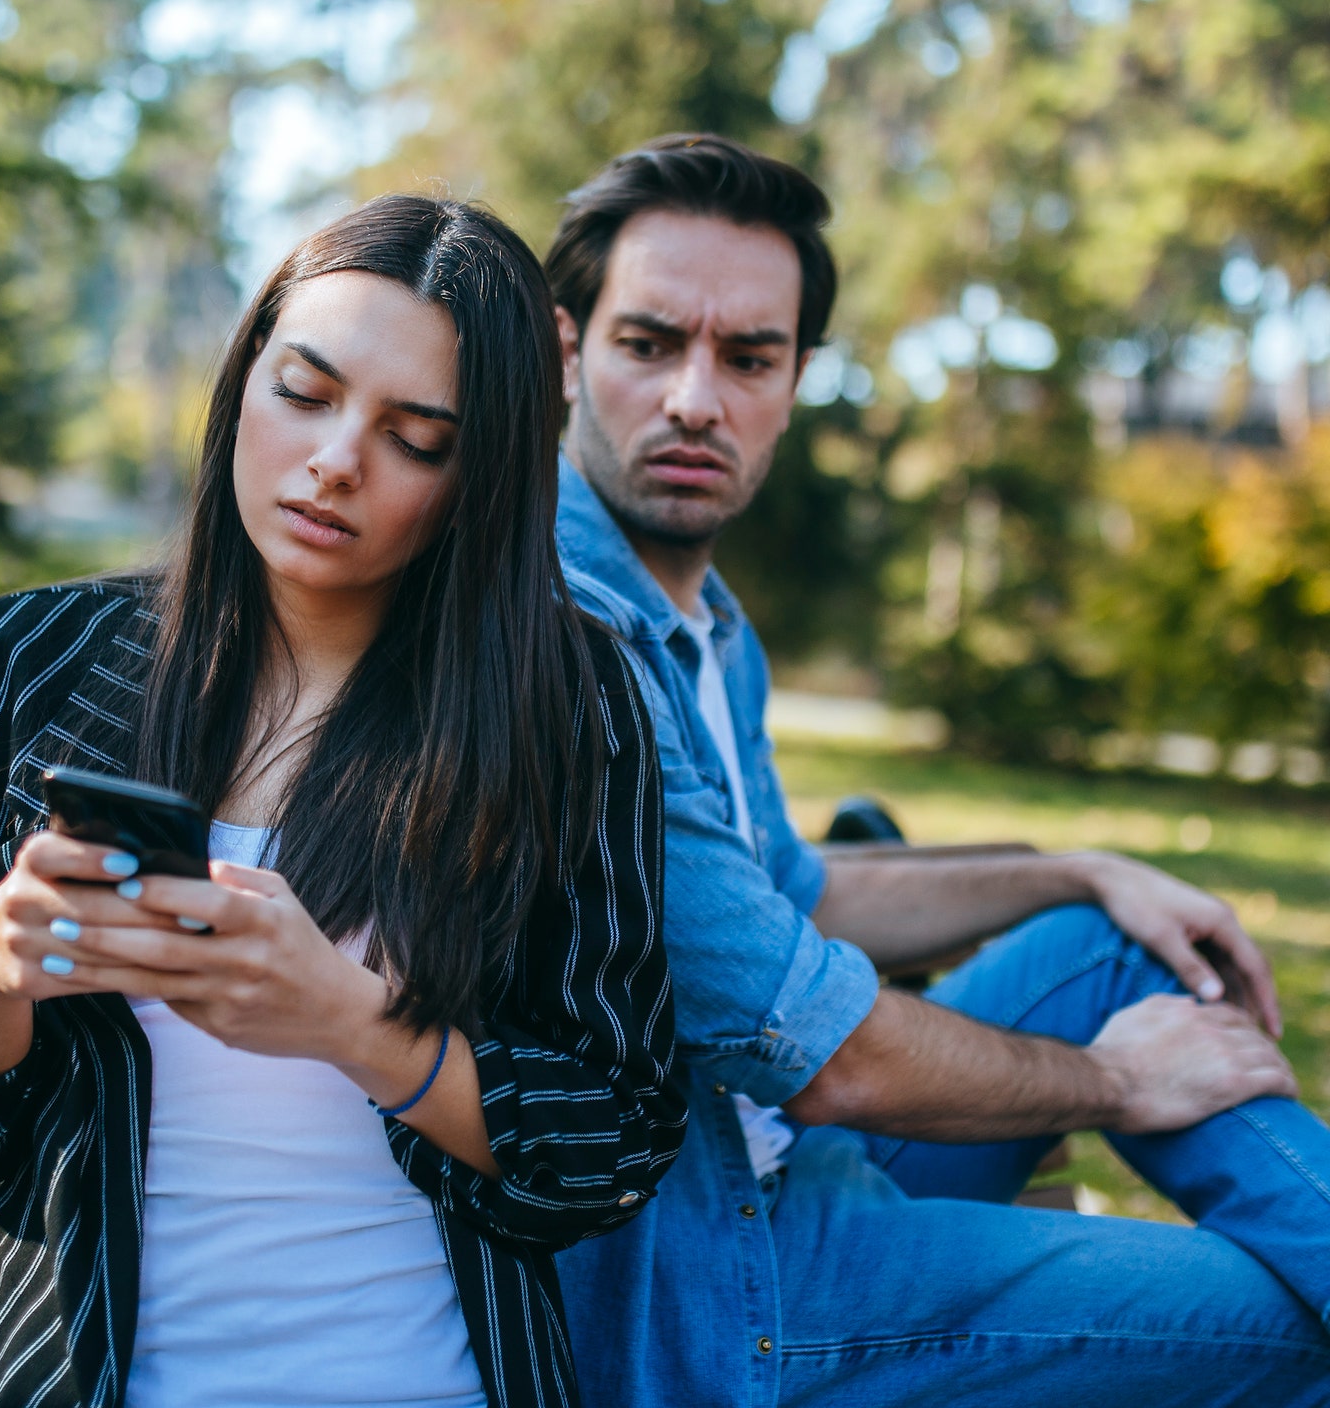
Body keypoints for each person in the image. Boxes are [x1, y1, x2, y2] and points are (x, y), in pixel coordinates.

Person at [0, 195, 685, 1408]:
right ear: (246, 382)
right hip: (66, 1377)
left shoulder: (563, 703)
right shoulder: (40, 661)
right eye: (305, 390)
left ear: (477, 479)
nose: (336, 457)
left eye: (417, 437)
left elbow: (608, 1144)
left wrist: (349, 1021)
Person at [548, 135, 1330, 1407]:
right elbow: (821, 1051)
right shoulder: (564, 630)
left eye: (748, 357)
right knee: (1286, 1335)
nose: (697, 398)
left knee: (1115, 940)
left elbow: (792, 890)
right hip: (710, 1285)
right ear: (568, 349)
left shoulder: (707, 625)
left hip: (800, 1161)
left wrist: (1078, 866)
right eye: (649, 345)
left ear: (795, 379)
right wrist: (1124, 1084)